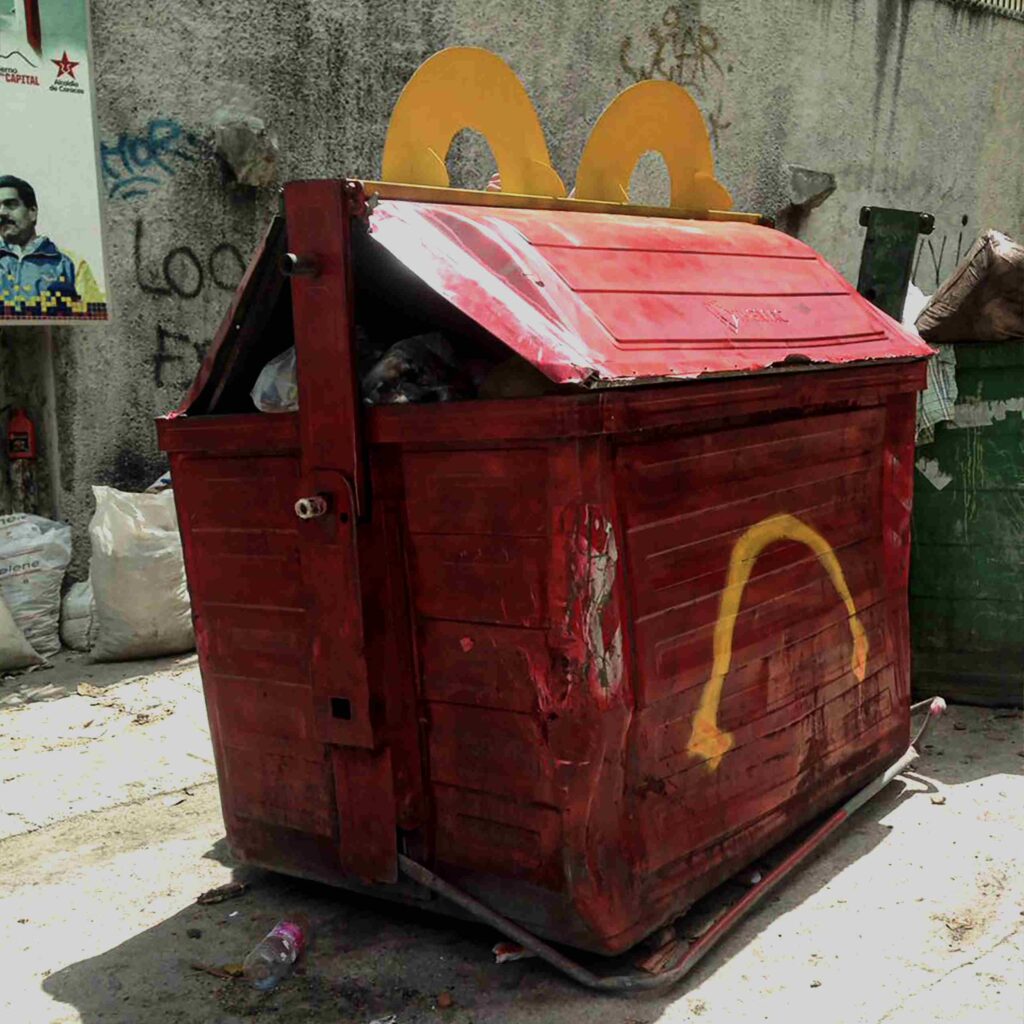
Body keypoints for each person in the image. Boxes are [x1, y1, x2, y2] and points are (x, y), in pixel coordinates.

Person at [0, 174, 80, 312]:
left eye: (11, 205)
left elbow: (95, 321)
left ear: (33, 212)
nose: (1, 212)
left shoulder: (69, 264)